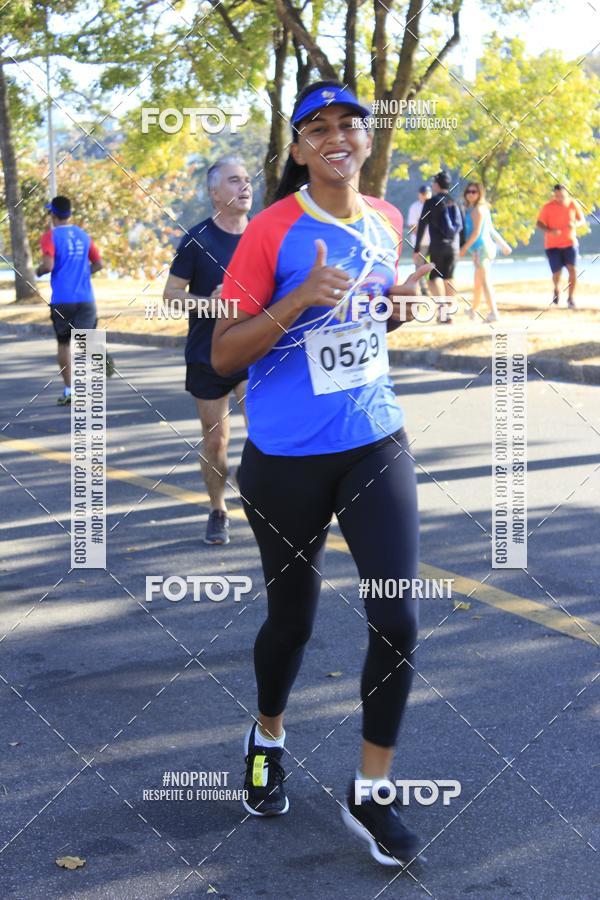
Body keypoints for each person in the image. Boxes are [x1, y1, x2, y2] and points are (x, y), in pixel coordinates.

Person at [212, 81, 433, 867]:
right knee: (293, 621)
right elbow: (223, 353)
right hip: (285, 459)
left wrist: (398, 306)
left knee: (397, 619)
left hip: (374, 439)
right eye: (318, 127)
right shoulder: (271, 231)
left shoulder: (386, 219)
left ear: (367, 139)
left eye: (350, 123)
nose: (337, 135)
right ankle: (268, 736)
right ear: (301, 148)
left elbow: (365, 324)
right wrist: (300, 297)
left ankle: (372, 792)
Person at [163, 157, 251, 545]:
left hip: (253, 348)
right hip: (207, 353)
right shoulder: (196, 239)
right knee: (216, 440)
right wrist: (209, 305)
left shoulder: (263, 235)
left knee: (266, 428)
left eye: (247, 180)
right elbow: (171, 296)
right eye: (234, 181)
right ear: (215, 193)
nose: (245, 186)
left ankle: (255, 480)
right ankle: (218, 509)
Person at [36, 196, 104, 405]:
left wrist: (37, 271)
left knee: (64, 343)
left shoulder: (50, 236)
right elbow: (99, 264)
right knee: (86, 343)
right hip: (86, 299)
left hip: (62, 300)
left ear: (53, 215)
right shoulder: (83, 235)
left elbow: (48, 266)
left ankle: (70, 391)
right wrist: (82, 275)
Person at [413, 171, 463, 324]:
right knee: (449, 277)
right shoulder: (455, 202)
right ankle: (449, 313)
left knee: (433, 278)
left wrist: (416, 249)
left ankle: (442, 309)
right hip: (453, 247)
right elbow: (461, 228)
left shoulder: (431, 202)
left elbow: (422, 225)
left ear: (436, 185)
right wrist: (461, 246)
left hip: (437, 247)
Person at [459, 182, 511, 322]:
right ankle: (473, 310)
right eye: (468, 191)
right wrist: (503, 245)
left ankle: (494, 313)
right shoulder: (483, 208)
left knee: (485, 282)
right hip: (484, 248)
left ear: (479, 193)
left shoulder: (477, 210)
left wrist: (464, 248)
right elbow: (491, 230)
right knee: (478, 282)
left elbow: (476, 233)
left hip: (480, 250)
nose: (470, 194)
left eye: (474, 192)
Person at [536, 184, 585, 309]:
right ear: (554, 195)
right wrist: (549, 231)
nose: (559, 198)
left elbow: (581, 220)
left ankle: (571, 298)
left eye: (562, 195)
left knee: (573, 270)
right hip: (552, 245)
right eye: (557, 195)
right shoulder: (547, 207)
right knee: (557, 273)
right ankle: (556, 289)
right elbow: (539, 223)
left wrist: (575, 224)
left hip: (570, 243)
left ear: (567, 193)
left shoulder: (573, 204)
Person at [407, 185, 431, 295]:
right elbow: (412, 226)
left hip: (433, 243)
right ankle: (423, 289)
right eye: (423, 194)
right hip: (419, 243)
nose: (425, 196)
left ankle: (430, 287)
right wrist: (420, 238)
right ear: (419, 195)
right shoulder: (415, 207)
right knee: (419, 266)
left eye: (427, 193)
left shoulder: (435, 205)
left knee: (431, 266)